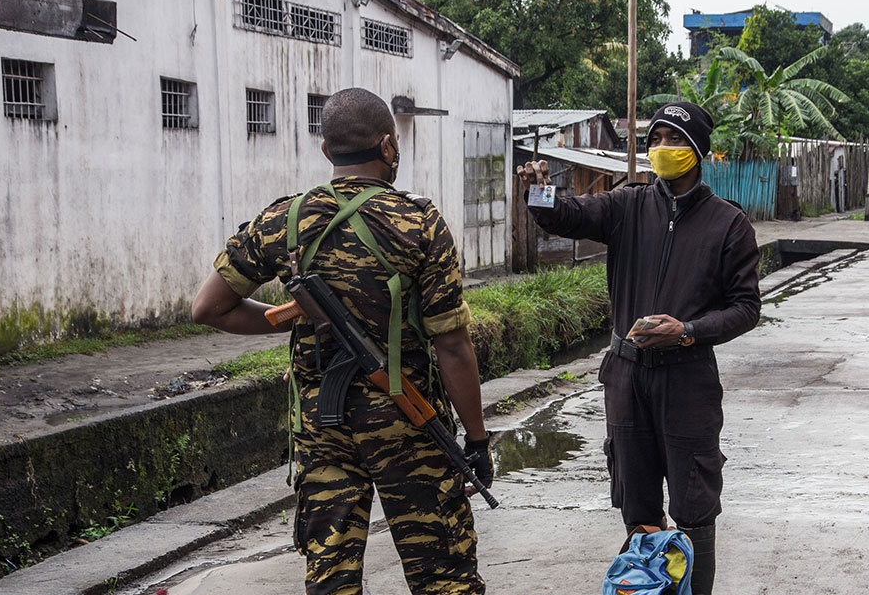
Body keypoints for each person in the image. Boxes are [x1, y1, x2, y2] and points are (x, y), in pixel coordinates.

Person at [191, 88, 492, 595]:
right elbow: (453, 345)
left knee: (330, 577)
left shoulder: (284, 220)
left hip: (321, 426)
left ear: (327, 152)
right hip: (407, 421)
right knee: (444, 577)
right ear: (388, 147)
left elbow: (208, 308)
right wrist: (477, 439)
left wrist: (285, 321)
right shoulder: (420, 222)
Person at [516, 102, 760, 595]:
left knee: (694, 508)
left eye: (674, 139)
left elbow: (746, 308)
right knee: (639, 507)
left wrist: (687, 329)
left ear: (696, 150)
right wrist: (539, 188)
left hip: (687, 379)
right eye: (656, 138)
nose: (661, 148)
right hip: (626, 379)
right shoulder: (626, 205)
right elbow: (564, 215)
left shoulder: (728, 224)